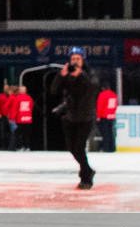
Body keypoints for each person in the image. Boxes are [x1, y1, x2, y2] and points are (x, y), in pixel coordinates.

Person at [51, 47, 98, 189]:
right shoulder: (67, 74)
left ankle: (86, 177)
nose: (75, 61)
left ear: (83, 60)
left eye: (78, 58)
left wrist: (81, 75)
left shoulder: (89, 73)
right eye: (73, 59)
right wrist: (61, 76)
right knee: (72, 148)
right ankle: (87, 170)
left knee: (79, 147)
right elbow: (53, 90)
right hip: (70, 117)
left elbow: (92, 88)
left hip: (85, 117)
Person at [95, 83, 118, 153]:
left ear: (103, 88)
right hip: (112, 116)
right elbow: (115, 105)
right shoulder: (113, 94)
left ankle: (106, 148)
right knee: (111, 133)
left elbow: (100, 106)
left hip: (104, 116)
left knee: (105, 133)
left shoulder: (102, 94)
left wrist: (98, 116)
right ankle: (112, 148)